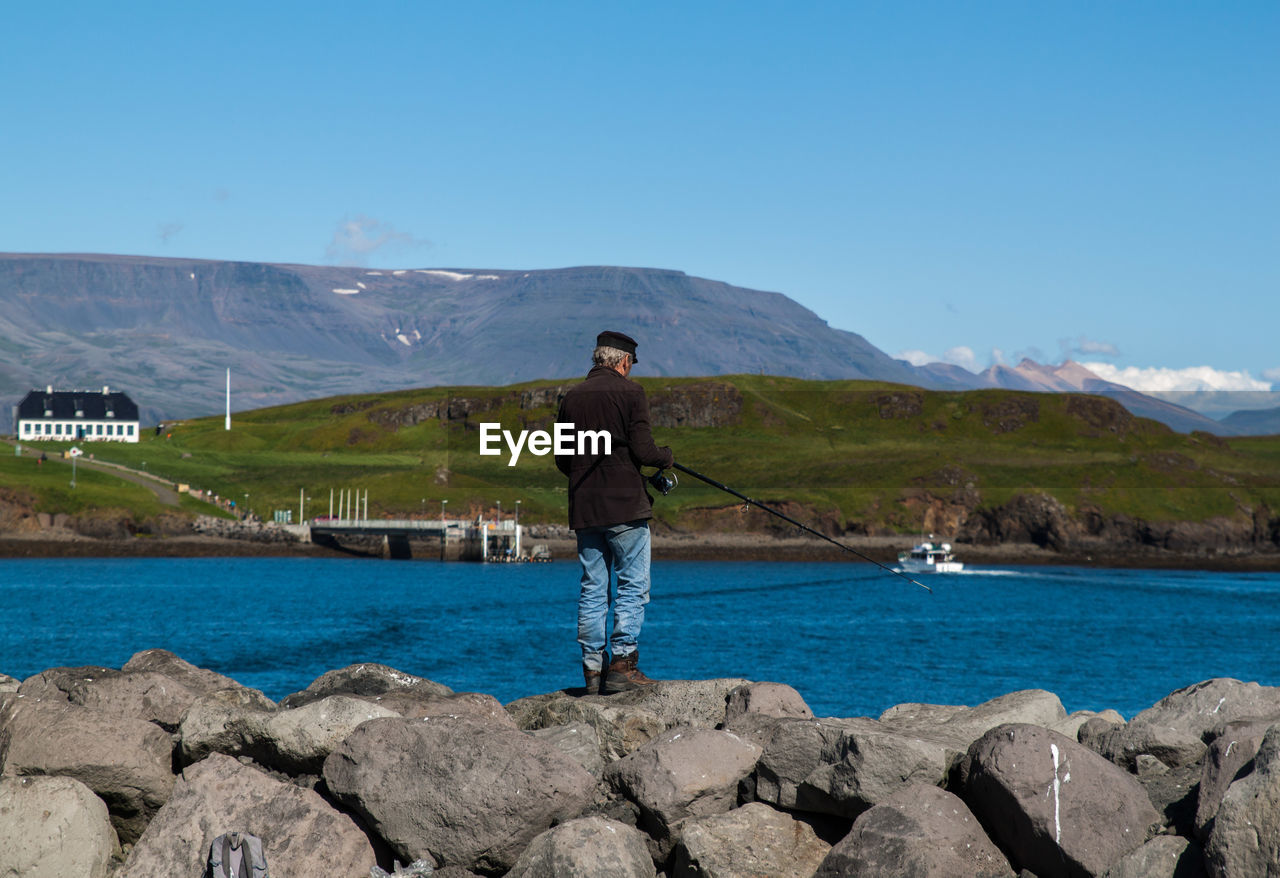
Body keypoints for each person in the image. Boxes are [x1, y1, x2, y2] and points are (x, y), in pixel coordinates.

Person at [556, 330, 674, 695]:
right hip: (625, 507)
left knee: (593, 587)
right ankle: (623, 664)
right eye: (632, 364)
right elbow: (644, 451)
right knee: (633, 584)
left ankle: (593, 671)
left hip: (586, 508)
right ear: (623, 361)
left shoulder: (571, 398)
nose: (632, 370)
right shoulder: (631, 393)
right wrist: (666, 457)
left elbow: (562, 459)